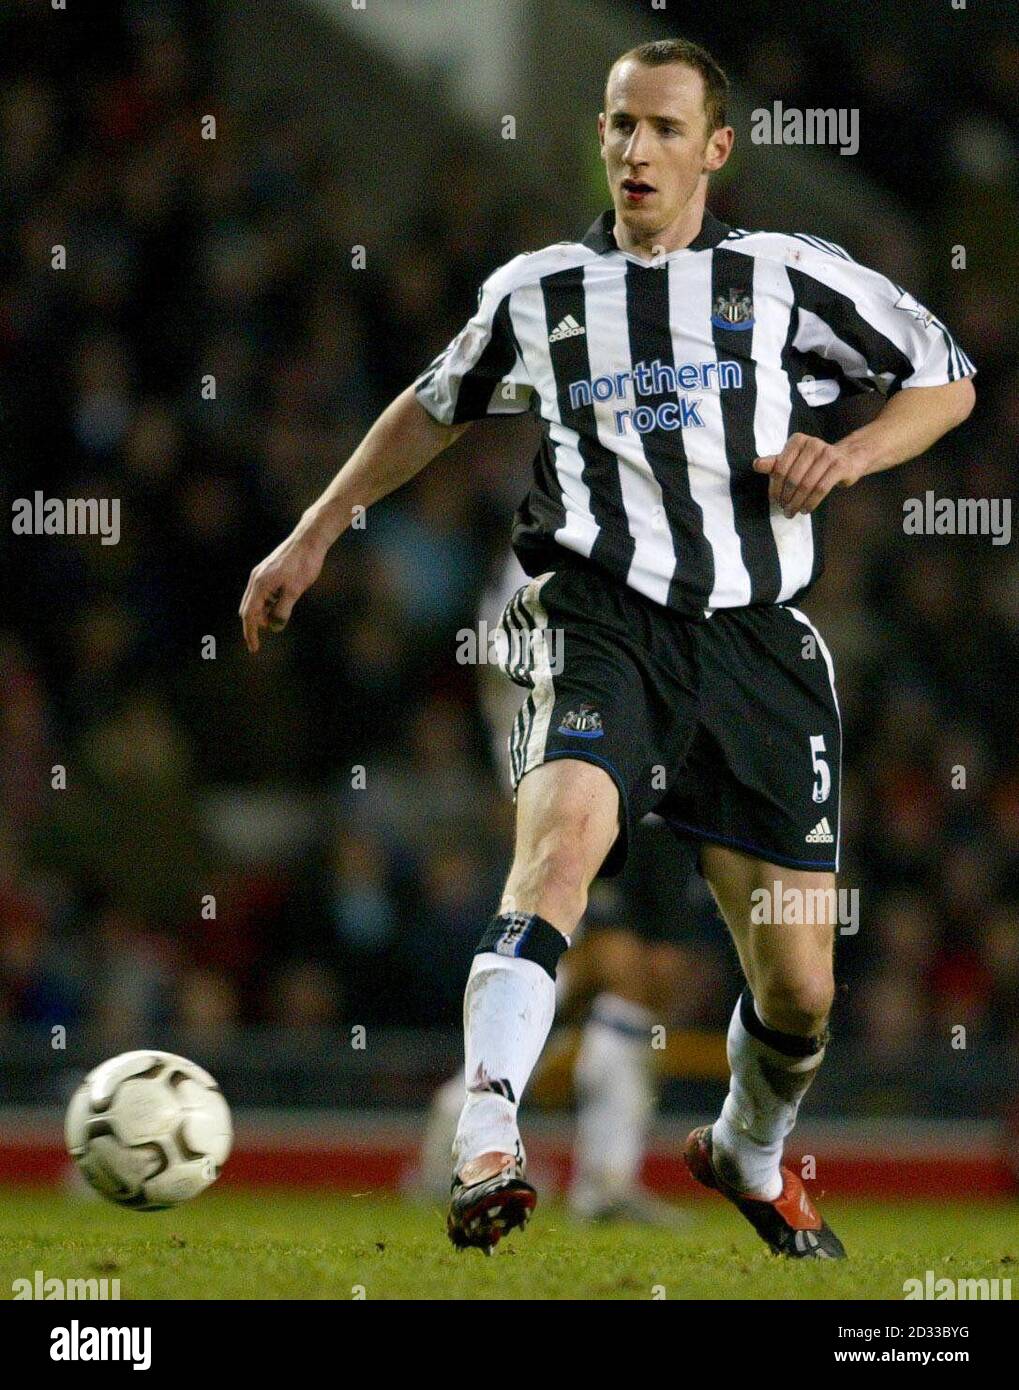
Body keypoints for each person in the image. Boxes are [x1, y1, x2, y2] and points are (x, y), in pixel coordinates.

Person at [240, 37, 976, 1258]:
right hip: (596, 617)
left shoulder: (785, 277)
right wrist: (312, 536)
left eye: (663, 128)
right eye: (617, 124)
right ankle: (488, 1131)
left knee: (800, 991)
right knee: (561, 847)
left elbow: (942, 378)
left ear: (716, 149)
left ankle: (742, 1148)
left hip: (756, 648)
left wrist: (846, 453)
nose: (635, 149)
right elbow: (431, 405)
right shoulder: (539, 292)